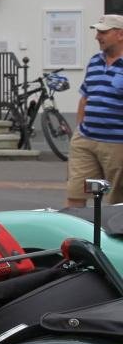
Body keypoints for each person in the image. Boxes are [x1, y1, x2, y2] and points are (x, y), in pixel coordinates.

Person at [66, 14, 123, 206]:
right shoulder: (95, 61)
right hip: (86, 140)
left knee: (117, 201)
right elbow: (85, 97)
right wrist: (79, 129)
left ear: (120, 34)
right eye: (98, 32)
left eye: (103, 32)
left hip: (117, 143)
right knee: (76, 193)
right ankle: (76, 226)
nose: (97, 36)